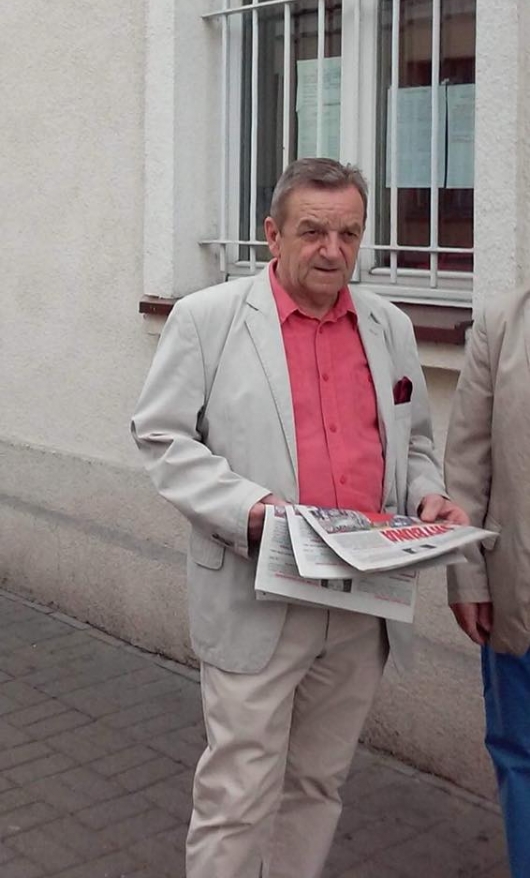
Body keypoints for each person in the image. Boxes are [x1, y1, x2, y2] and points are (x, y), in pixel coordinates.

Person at [132, 157, 467, 878]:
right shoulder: (208, 319)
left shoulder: (388, 325)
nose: (333, 251)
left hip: (362, 601)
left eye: (350, 233)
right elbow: (161, 435)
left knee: (316, 785)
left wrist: (425, 497)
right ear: (272, 233)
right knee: (237, 793)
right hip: (260, 592)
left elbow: (411, 442)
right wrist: (247, 509)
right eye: (313, 231)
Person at [444, 288, 530, 878]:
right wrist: (468, 575)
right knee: (520, 754)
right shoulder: (503, 326)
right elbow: (467, 467)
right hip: (518, 594)